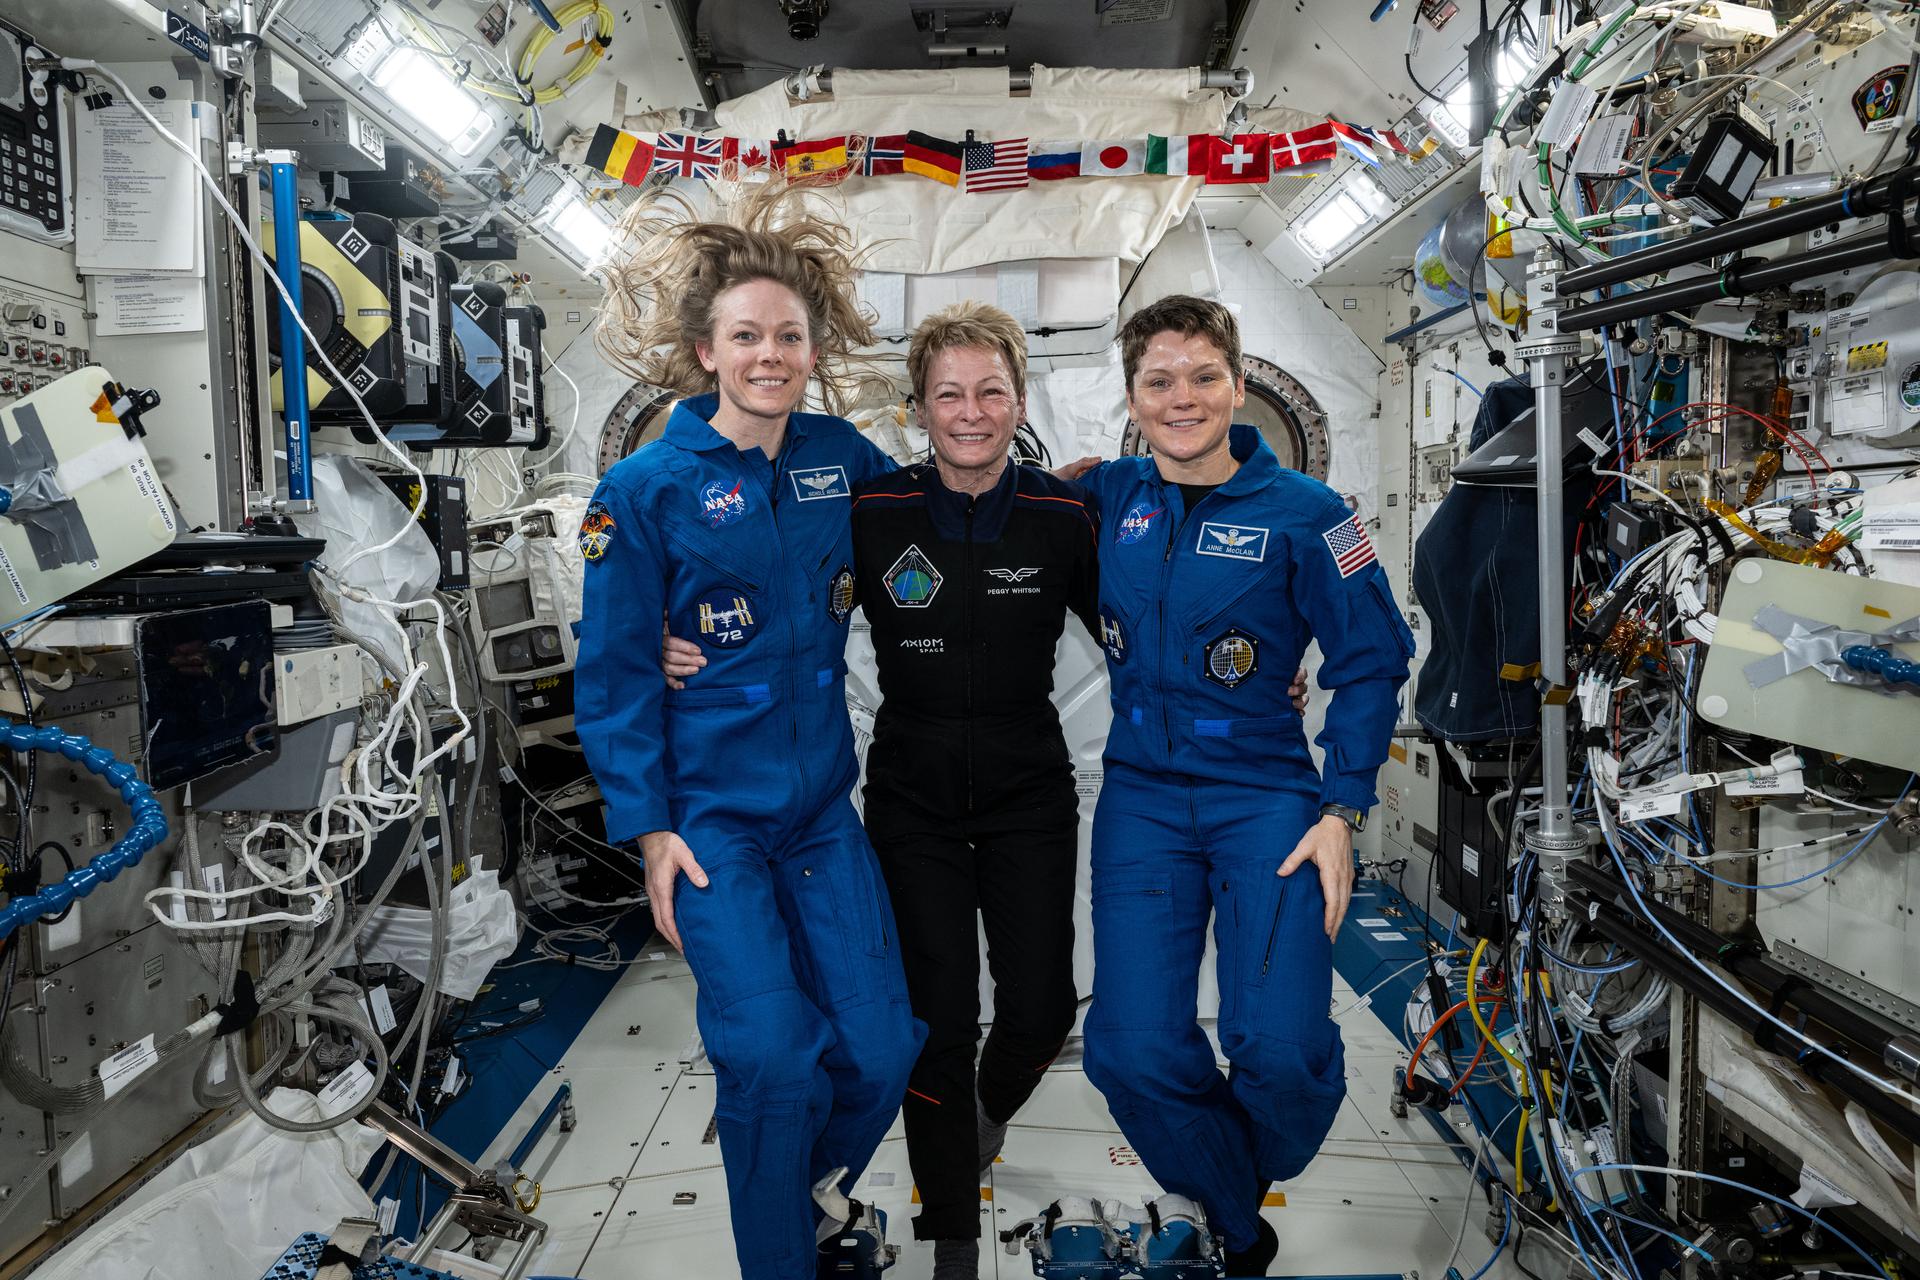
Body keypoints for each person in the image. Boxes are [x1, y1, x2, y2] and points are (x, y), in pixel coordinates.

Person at [665, 299, 1312, 1280]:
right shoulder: (872, 512)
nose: (971, 413)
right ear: (921, 405)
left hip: (1027, 788)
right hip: (910, 793)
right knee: (933, 1018)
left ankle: (979, 1116)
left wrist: (1261, 668)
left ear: (1017, 400)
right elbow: (770, 586)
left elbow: (1150, 614)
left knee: (1043, 1007)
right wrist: (673, 638)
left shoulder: (1063, 516)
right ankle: (949, 1226)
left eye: (991, 392)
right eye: (950, 394)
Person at [573, 184, 924, 1280]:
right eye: (746, 336)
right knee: (772, 1054)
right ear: (703, 350)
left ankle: (806, 1184)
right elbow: (618, 669)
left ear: (813, 348)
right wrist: (648, 829)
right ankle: (785, 1251)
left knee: (879, 1046)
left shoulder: (842, 459)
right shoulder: (640, 490)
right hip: (712, 821)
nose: (769, 353)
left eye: (788, 335)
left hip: (823, 812)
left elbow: (932, 546)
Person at [1074, 295, 1414, 1276]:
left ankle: (1229, 1176)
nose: (1183, 397)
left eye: (1203, 375)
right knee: (1128, 1049)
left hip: (1266, 795)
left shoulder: (1313, 517)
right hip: (1141, 799)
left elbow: (1374, 659)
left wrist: (1344, 806)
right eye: (1158, 380)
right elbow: (987, 524)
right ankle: (1238, 1217)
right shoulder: (1107, 496)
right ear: (1132, 396)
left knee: (1282, 1048)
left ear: (1238, 381)